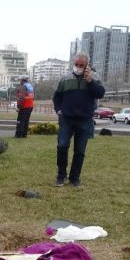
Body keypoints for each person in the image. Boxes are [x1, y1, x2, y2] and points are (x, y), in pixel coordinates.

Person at [52, 53, 106, 187]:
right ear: (73, 63)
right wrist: (58, 109)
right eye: (76, 64)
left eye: (82, 65)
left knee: (80, 150)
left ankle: (74, 178)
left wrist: (90, 82)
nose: (79, 67)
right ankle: (61, 176)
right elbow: (57, 96)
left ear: (87, 65)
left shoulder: (94, 77)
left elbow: (100, 93)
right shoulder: (65, 78)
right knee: (62, 146)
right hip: (66, 118)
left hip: (85, 119)